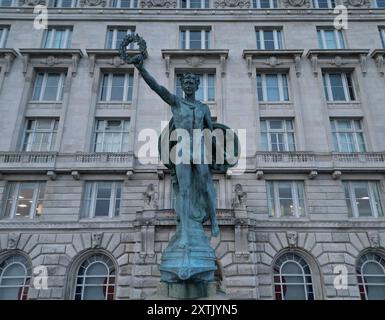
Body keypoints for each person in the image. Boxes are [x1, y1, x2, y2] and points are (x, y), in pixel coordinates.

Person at [131, 54, 219, 248]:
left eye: (191, 82)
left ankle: (213, 221)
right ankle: (185, 232)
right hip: (181, 148)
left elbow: (210, 134)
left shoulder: (204, 108)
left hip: (198, 147)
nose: (188, 85)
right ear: (182, 86)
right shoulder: (176, 102)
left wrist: (217, 156)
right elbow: (157, 88)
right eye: (185, 82)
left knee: (206, 184)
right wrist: (141, 69)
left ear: (197, 86)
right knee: (184, 190)